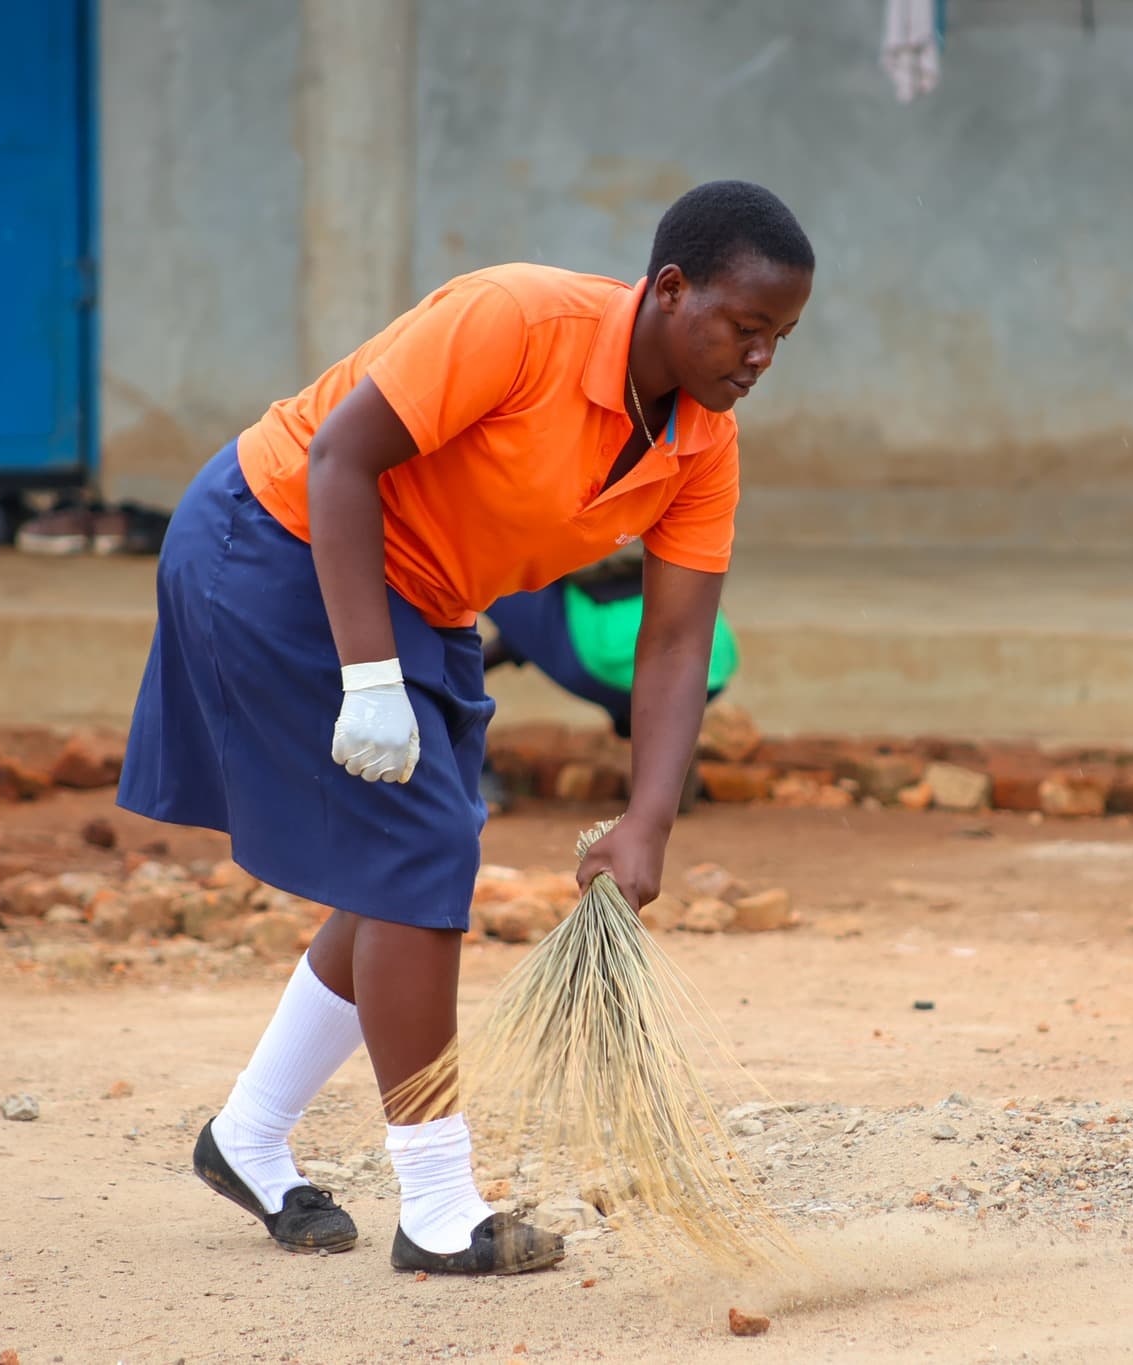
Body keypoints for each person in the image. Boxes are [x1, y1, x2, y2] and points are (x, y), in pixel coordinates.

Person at [116, 180, 813, 1274]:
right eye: (744, 326)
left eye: (780, 337)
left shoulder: (699, 445)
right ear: (670, 291)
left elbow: (674, 643)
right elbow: (340, 460)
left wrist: (647, 821)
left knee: (401, 868)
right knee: (423, 852)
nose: (759, 357)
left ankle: (246, 1139)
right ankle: (438, 1204)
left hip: (424, 597)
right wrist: (366, 678)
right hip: (278, 540)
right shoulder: (517, 321)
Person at [480, 544, 738, 811]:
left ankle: (477, 777)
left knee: (473, 567)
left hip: (605, 663)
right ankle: (668, 753)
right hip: (708, 662)